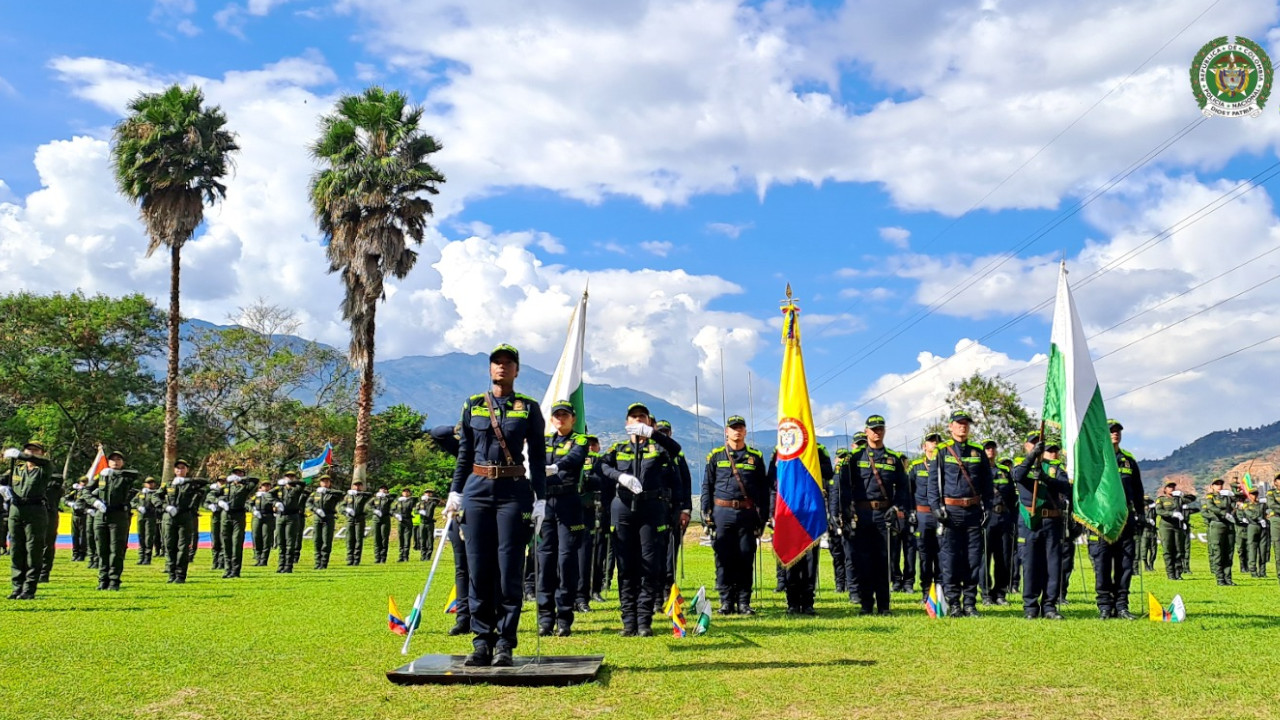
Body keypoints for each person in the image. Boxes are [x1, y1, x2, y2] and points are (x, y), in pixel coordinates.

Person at [446, 344, 548, 667]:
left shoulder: (528, 408)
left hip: (513, 491)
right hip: (477, 490)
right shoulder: (473, 405)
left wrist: (541, 498)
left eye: (508, 363)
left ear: (517, 370)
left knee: (509, 569)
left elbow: (538, 458)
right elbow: (465, 453)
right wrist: (455, 491)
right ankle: (481, 642)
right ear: (490, 368)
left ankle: (505, 642)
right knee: (477, 568)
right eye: (496, 362)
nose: (501, 367)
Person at [600, 401, 683, 635]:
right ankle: (629, 621)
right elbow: (601, 466)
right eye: (633, 417)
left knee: (650, 564)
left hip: (651, 509)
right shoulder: (618, 448)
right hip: (624, 507)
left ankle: (644, 620)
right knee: (626, 566)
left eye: (642, 417)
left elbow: (676, 450)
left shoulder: (658, 448)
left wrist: (653, 434)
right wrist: (619, 476)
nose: (637, 420)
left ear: (648, 422)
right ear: (626, 422)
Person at [834, 415, 909, 616]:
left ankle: (884, 605)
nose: (877, 432)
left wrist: (896, 508)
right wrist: (845, 514)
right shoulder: (854, 458)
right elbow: (843, 488)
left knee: (884, 561)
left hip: (884, 515)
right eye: (873, 429)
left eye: (880, 429)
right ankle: (866, 605)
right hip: (861, 515)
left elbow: (903, 487)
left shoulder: (893, 458)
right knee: (863, 561)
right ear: (866, 431)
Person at [928, 410, 994, 617]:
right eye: (958, 423)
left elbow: (987, 484)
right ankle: (954, 603)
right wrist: (936, 508)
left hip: (973, 512)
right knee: (950, 560)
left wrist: (988, 507)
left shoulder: (978, 451)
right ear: (950, 426)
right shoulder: (942, 451)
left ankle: (970, 603)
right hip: (951, 513)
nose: (963, 426)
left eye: (966, 423)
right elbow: (933, 484)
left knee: (973, 559)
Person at [702, 415, 768, 616]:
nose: (737, 431)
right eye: (733, 428)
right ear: (726, 432)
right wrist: (706, 512)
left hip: (747, 514)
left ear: (745, 431)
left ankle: (744, 602)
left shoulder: (755, 456)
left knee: (746, 557)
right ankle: (726, 602)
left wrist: (763, 518)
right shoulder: (716, 456)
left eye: (740, 428)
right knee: (724, 558)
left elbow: (763, 490)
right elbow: (707, 485)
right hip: (722, 513)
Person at [536, 400, 589, 637]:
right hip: (545, 502)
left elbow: (575, 458)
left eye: (565, 415)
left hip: (569, 503)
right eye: (557, 415)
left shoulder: (580, 440)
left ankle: (564, 617)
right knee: (545, 559)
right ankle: (545, 618)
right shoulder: (544, 440)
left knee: (566, 560)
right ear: (551, 418)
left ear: (573, 419)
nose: (560, 418)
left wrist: (556, 467)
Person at [1088, 419, 1144, 620]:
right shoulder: (1095, 460)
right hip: (1102, 519)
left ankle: (1121, 606)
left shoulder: (1128, 460)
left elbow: (1137, 490)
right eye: (1111, 430)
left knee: (1125, 564)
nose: (1115, 433)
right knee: (1102, 564)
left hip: (1125, 519)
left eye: (1118, 430)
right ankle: (1104, 606)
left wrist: (1141, 514)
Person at [770, 443, 833, 615]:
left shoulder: (818, 449)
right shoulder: (782, 449)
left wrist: (809, 461)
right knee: (791, 559)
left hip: (811, 511)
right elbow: (772, 481)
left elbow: (829, 473)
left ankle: (807, 603)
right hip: (788, 512)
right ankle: (792, 602)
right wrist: (772, 512)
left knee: (810, 563)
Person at [1012, 433, 1068, 620]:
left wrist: (1046, 478)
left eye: (1039, 443)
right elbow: (1017, 476)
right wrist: (1032, 457)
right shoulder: (1021, 463)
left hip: (1051, 521)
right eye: (1033, 443)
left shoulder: (1054, 466)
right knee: (1030, 565)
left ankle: (1049, 606)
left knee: (1053, 565)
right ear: (1026, 445)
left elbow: (1066, 487)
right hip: (1029, 520)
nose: (1036, 446)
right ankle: (1030, 607)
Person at [429, 423, 470, 637]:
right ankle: (463, 618)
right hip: (460, 509)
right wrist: (458, 427)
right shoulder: (465, 447)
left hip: (489, 508)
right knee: (462, 566)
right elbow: (437, 434)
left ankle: (486, 614)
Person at [3, 441, 52, 599]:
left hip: (35, 511)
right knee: (16, 549)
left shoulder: (44, 467)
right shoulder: (17, 468)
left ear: (42, 453)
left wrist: (20, 455)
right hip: (16, 510)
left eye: (35, 450)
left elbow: (41, 462)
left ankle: (29, 588)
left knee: (33, 550)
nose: (30, 452)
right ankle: (17, 587)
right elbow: (3, 480)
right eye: (28, 449)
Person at [85, 451, 139, 591]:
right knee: (101, 549)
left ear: (122, 462)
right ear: (108, 462)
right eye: (113, 460)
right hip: (101, 516)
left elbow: (135, 474)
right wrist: (95, 502)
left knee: (116, 550)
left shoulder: (126, 477)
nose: (115, 462)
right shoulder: (101, 476)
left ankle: (114, 580)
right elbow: (86, 492)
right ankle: (103, 580)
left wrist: (116, 473)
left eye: (118, 459)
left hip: (118, 516)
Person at [655, 420, 693, 592]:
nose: (663, 434)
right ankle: (655, 590)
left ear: (670, 433)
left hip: (674, 508)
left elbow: (686, 483)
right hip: (655, 508)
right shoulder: (650, 452)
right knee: (654, 550)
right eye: (660, 431)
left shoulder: (678, 455)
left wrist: (686, 510)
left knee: (671, 550)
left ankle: (668, 588)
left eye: (666, 431)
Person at [981, 440, 1016, 606]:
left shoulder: (1004, 471)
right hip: (987, 518)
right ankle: (986, 593)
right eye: (987, 448)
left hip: (1004, 517)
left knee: (1004, 557)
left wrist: (1013, 518)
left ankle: (1000, 593)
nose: (990, 450)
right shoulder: (977, 470)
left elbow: (1012, 496)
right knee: (985, 557)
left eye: (993, 447)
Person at [910, 432, 942, 604]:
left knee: (942, 555)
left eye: (937, 442)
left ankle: (940, 591)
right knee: (925, 555)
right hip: (923, 515)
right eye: (931, 441)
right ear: (924, 446)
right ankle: (926, 591)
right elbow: (908, 491)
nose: (934, 444)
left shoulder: (944, 466)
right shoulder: (916, 467)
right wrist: (911, 512)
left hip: (941, 515)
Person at [163, 460, 206, 584]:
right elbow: (156, 496)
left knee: (183, 547)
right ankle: (171, 574)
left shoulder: (191, 484)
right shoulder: (168, 484)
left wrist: (187, 481)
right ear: (174, 470)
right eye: (178, 468)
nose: (180, 470)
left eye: (183, 468)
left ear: (187, 470)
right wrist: (165, 507)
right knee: (170, 545)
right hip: (170, 517)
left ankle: (180, 575)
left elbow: (204, 482)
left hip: (185, 517)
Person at [576, 435, 604, 612]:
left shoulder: (597, 461)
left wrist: (587, 479)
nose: (590, 447)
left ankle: (583, 596)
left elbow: (603, 481)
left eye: (593, 444)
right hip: (567, 509)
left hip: (589, 511)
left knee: (586, 556)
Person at [220, 470, 255, 578]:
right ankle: (227, 569)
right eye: (235, 473)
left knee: (237, 543)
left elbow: (255, 480)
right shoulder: (226, 486)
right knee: (226, 542)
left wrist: (242, 479)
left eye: (240, 473)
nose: (237, 475)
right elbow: (212, 495)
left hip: (238, 516)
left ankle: (235, 570)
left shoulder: (245, 487)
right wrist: (219, 501)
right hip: (226, 515)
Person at [1203, 478, 1237, 586]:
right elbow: (1211, 507)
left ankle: (1228, 578)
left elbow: (1236, 504)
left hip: (1229, 525)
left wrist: (1233, 495)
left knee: (1229, 552)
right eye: (1216, 484)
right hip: (1217, 525)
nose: (1219, 486)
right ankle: (1220, 578)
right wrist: (1224, 513)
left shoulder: (1227, 496)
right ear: (1212, 486)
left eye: (1221, 484)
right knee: (1218, 552)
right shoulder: (1210, 497)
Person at [276, 472, 311, 573]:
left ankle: (288, 566)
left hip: (292, 517)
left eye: (292, 477)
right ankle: (281, 565)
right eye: (288, 476)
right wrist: (275, 502)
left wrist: (293, 482)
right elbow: (269, 494)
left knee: (290, 542)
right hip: (280, 517)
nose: (290, 478)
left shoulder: (296, 489)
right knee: (281, 542)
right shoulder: (280, 489)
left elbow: (303, 484)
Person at [309, 474, 342, 569]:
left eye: (327, 481)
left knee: (326, 541)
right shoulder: (315, 493)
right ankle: (317, 562)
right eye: (323, 481)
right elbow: (308, 503)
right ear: (320, 483)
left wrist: (328, 491)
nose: (325, 483)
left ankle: (324, 563)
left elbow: (341, 493)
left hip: (328, 517)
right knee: (317, 540)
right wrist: (315, 509)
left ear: (329, 483)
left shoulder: (333, 494)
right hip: (317, 518)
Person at [1154, 482, 1184, 579]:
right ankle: (1170, 573)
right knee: (1168, 550)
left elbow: (1189, 501)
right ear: (1165, 489)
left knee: (1178, 549)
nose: (1172, 488)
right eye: (1169, 487)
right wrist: (1171, 514)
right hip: (1166, 527)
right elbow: (1159, 511)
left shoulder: (1178, 499)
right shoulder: (1161, 499)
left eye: (1173, 487)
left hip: (1177, 526)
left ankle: (1178, 572)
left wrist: (1180, 497)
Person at [40, 473, 64, 583]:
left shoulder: (51, 486)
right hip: (46, 514)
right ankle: (42, 573)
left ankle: (42, 573)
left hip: (48, 514)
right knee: (46, 545)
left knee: (46, 545)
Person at [132, 477, 161, 566]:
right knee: (141, 536)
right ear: (145, 484)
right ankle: (141, 557)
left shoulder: (155, 493)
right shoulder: (140, 493)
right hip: (141, 517)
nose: (150, 484)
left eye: (152, 482)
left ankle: (147, 558)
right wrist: (138, 507)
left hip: (150, 517)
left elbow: (157, 503)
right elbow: (133, 502)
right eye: (148, 483)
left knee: (148, 537)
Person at [342, 480, 371, 566]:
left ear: (362, 487)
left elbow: (370, 495)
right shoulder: (348, 496)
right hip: (350, 519)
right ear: (352, 486)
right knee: (350, 539)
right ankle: (350, 559)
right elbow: (341, 506)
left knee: (358, 539)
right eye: (355, 485)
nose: (357, 487)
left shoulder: (364, 496)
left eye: (359, 485)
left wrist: (360, 493)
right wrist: (346, 511)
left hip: (360, 519)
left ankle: (356, 559)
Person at [250, 480, 277, 566]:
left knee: (266, 537)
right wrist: (253, 510)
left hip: (268, 517)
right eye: (264, 486)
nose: (266, 487)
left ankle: (264, 560)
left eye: (268, 486)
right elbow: (249, 504)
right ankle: (258, 558)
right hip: (257, 517)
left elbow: (275, 504)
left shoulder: (272, 496)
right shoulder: (256, 496)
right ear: (261, 487)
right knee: (256, 536)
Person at [204, 477, 227, 571]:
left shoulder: (227, 491)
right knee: (215, 540)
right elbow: (206, 502)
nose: (222, 483)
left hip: (225, 516)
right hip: (215, 517)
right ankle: (215, 562)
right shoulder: (213, 492)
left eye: (223, 481)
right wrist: (210, 506)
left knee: (223, 539)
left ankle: (221, 562)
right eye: (220, 481)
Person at [1241, 489, 1265, 577]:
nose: (1254, 496)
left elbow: (1266, 513)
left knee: (1263, 550)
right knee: (1252, 549)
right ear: (1249, 495)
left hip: (1262, 527)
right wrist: (1260, 519)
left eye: (1255, 494)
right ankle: (1253, 570)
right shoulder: (1246, 505)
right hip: (1252, 526)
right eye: (1252, 494)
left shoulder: (1261, 504)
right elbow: (1250, 514)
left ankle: (1262, 571)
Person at [65, 479, 88, 562]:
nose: (82, 484)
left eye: (84, 482)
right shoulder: (76, 491)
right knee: (74, 535)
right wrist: (70, 503)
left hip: (84, 515)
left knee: (83, 536)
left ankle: (82, 553)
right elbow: (65, 499)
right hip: (75, 515)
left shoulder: (87, 492)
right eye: (82, 482)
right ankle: (75, 553)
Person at [370, 485, 393, 563]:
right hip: (376, 519)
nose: (383, 490)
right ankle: (377, 557)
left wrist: (387, 496)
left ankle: (383, 557)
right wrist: (374, 510)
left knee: (384, 538)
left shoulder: (388, 498)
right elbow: (368, 506)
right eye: (381, 489)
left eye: (385, 489)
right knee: (377, 538)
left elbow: (393, 502)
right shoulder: (375, 498)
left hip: (385, 519)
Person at [393, 488, 416, 562]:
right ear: (402, 493)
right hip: (400, 521)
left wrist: (408, 500)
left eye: (407, 492)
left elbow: (413, 504)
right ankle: (401, 556)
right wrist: (396, 515)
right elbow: (392, 510)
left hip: (408, 520)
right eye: (404, 492)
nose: (405, 493)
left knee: (407, 539)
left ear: (409, 493)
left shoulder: (411, 501)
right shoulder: (398, 501)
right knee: (401, 538)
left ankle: (406, 556)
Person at [417, 490, 440, 561]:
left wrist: (431, 498)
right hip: (422, 523)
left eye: (430, 493)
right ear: (424, 494)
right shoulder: (421, 502)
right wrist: (419, 511)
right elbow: (415, 510)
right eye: (427, 493)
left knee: (430, 540)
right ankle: (423, 555)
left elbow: (438, 500)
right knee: (422, 539)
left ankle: (428, 556)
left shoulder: (432, 502)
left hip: (430, 523)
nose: (428, 494)